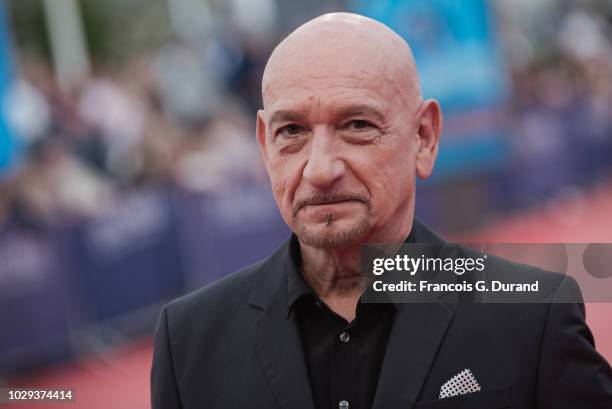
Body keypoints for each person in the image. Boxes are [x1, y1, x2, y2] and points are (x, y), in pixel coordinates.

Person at [151, 13, 612, 409]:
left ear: (424, 138)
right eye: (291, 130)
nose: (320, 169)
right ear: (263, 145)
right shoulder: (188, 340)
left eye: (356, 125)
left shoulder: (531, 311)